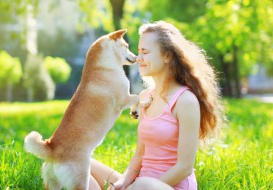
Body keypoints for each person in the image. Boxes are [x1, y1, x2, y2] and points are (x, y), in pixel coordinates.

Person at [89, 20, 225, 190]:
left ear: (167, 56)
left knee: (144, 184)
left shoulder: (185, 101)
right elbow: (139, 155)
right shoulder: (145, 97)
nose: (138, 58)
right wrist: (122, 183)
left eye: (144, 52)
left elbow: (184, 167)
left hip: (168, 186)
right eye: (138, 52)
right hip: (140, 185)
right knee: (82, 165)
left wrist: (139, 186)